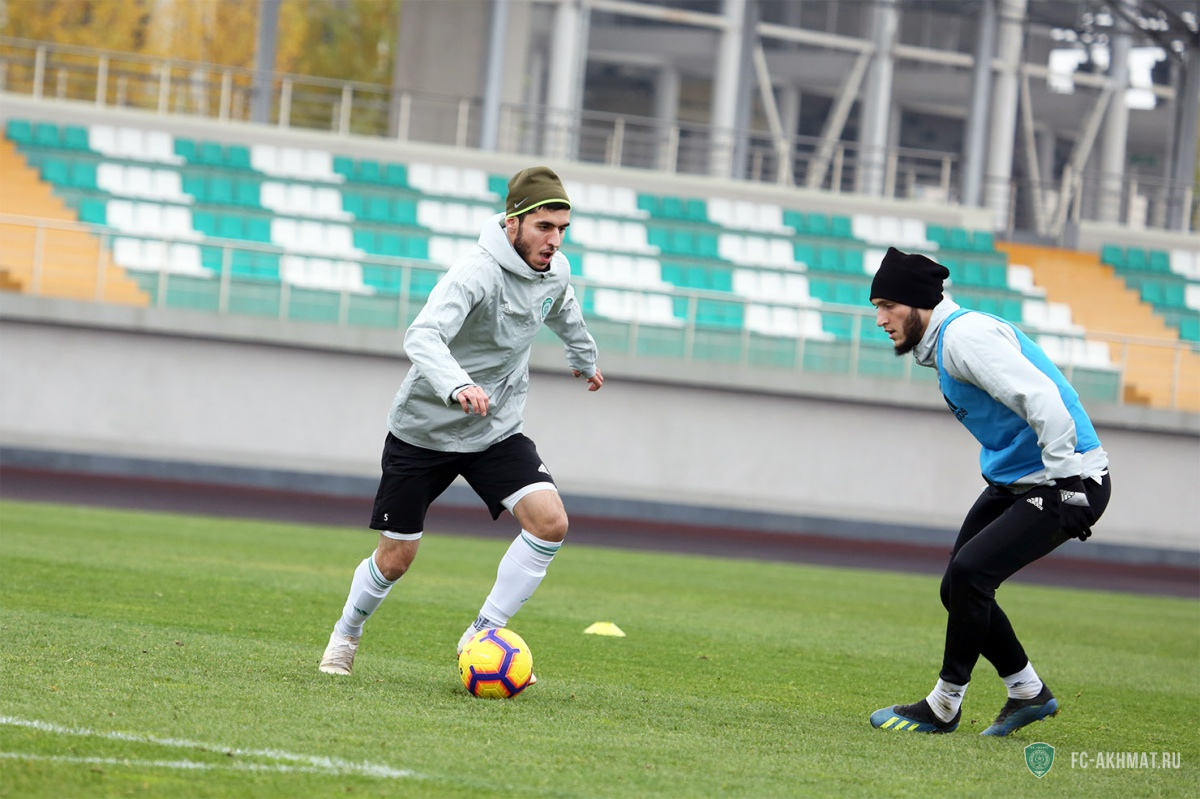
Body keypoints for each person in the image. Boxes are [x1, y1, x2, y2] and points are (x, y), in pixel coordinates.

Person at [319, 166, 603, 678]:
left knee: (550, 523)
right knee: (395, 559)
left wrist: (584, 358)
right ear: (513, 223)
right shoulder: (476, 272)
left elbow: (565, 312)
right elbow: (423, 335)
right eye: (544, 227)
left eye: (562, 229)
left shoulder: (555, 272)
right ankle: (346, 634)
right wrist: (457, 385)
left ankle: (482, 632)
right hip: (424, 431)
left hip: (494, 429)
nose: (555, 240)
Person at [866, 247, 1111, 736]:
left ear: (919, 304)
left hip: (1066, 478)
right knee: (957, 586)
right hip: (1019, 482)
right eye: (876, 307)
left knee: (971, 573)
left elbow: (1045, 401)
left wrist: (1068, 484)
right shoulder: (945, 343)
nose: (880, 319)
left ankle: (944, 705)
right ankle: (1027, 691)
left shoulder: (965, 338)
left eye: (888, 305)